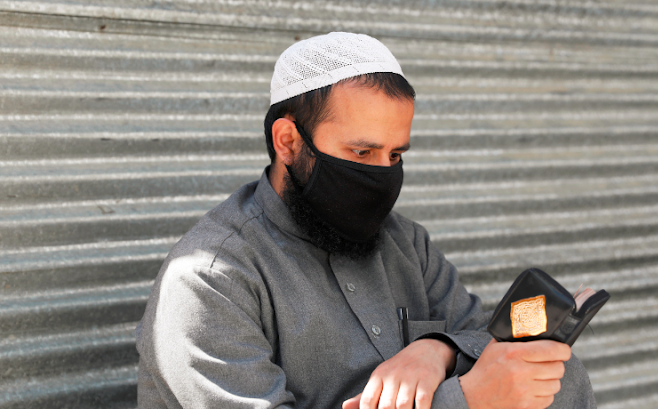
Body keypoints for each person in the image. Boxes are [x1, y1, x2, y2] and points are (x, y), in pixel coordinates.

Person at [136, 32, 597, 409]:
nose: (381, 173)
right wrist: (465, 400)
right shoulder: (210, 280)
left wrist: (434, 351)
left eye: (394, 154)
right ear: (288, 141)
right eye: (361, 152)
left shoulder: (406, 246)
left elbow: (475, 331)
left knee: (554, 374)